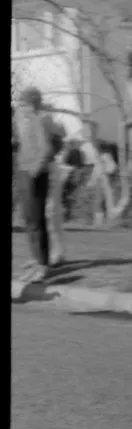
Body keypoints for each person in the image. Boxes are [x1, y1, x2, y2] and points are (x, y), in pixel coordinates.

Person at [13, 87, 66, 283]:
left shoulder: (40, 120)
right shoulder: (23, 119)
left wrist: (34, 172)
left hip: (35, 175)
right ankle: (36, 260)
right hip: (24, 173)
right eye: (20, 103)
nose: (21, 107)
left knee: (37, 221)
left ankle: (42, 265)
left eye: (25, 104)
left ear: (33, 104)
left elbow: (46, 150)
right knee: (29, 220)